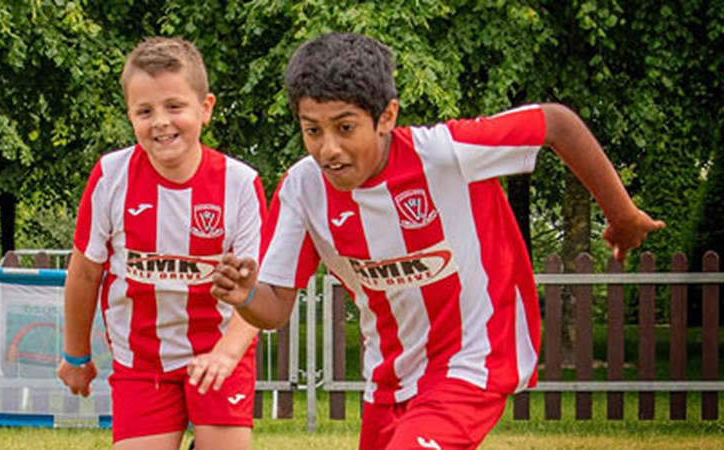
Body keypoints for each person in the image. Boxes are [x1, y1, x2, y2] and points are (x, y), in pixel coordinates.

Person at [210, 32, 665, 449]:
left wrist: (622, 216)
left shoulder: (444, 153)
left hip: (473, 359)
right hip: (387, 378)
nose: (328, 147)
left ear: (386, 116)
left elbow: (557, 123)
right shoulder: (301, 189)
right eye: (313, 130)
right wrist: (246, 293)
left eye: (345, 127)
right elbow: (273, 308)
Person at [57, 37, 266, 450]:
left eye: (174, 107)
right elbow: (84, 273)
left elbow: (255, 294)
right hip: (141, 362)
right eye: (145, 111)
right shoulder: (111, 177)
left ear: (205, 108)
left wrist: (226, 354)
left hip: (219, 352)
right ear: (130, 115)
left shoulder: (239, 184)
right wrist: (76, 355)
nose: (161, 122)